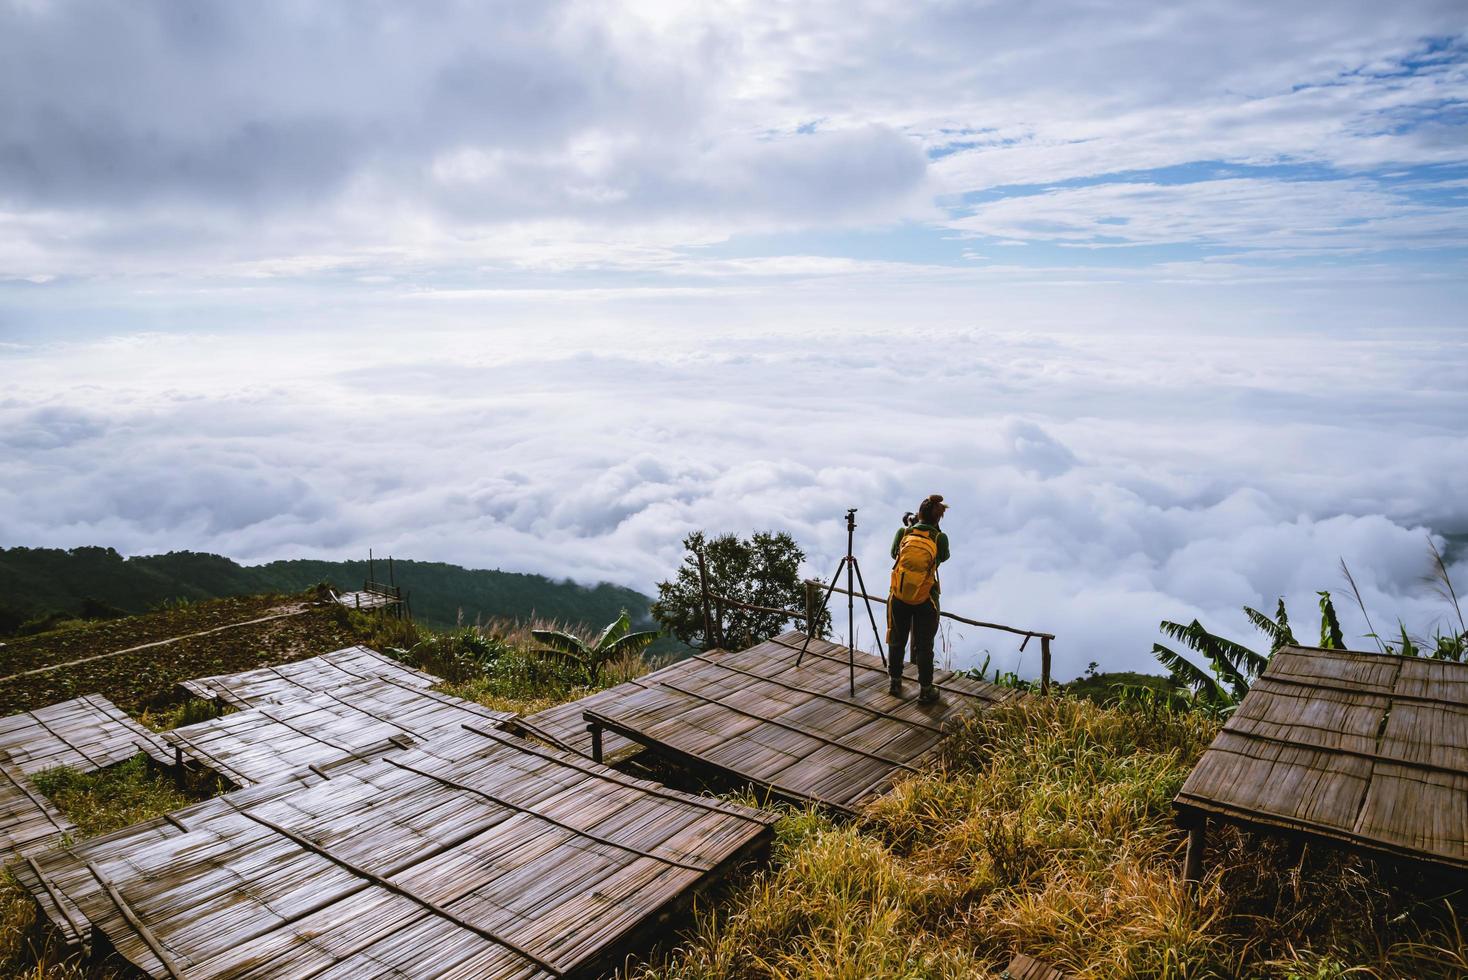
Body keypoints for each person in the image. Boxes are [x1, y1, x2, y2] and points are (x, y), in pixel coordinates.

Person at [887, 494, 949, 704]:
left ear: (918, 513)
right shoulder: (940, 538)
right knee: (924, 646)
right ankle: (925, 689)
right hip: (926, 599)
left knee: (897, 639)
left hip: (900, 595)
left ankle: (895, 682)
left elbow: (893, 553)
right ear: (937, 519)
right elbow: (944, 557)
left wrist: (910, 527)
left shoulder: (904, 532)